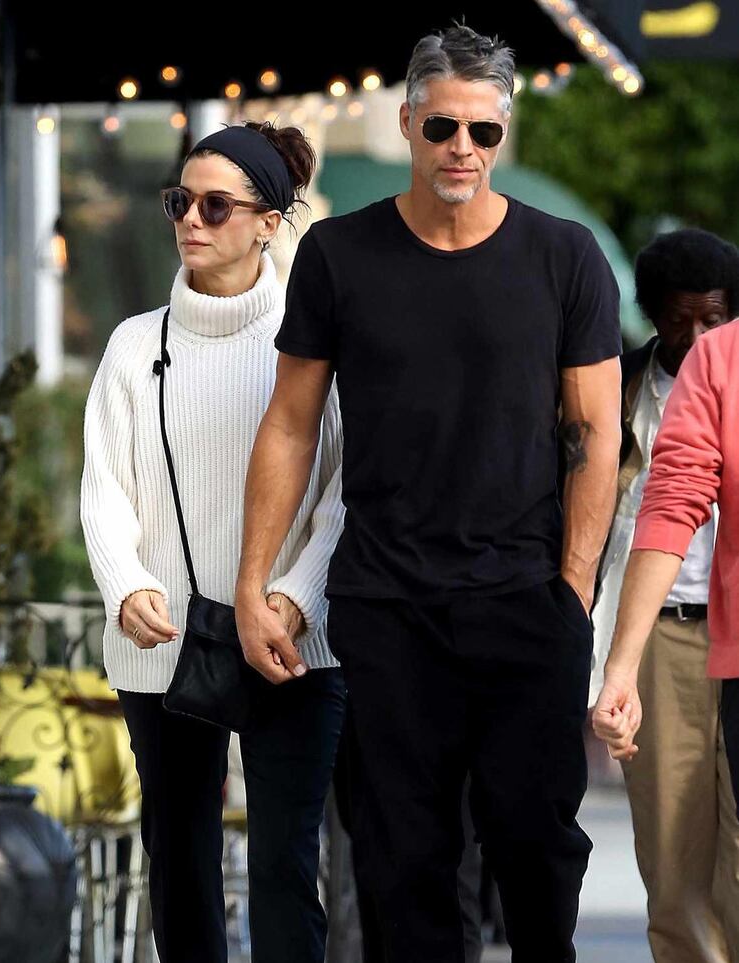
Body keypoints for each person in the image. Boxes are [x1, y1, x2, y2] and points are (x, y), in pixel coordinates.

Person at [235, 23, 622, 963]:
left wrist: (573, 591)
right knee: (401, 860)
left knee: (536, 852)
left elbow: (596, 431)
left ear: (502, 133)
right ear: (409, 122)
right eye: (443, 126)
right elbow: (289, 424)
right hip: (388, 606)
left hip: (525, 601)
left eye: (484, 132)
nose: (462, 149)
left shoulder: (565, 255)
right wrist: (254, 583)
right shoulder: (339, 253)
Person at [80, 122, 345, 963]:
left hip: (293, 642)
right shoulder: (134, 346)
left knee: (283, 864)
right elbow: (104, 484)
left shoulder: (314, 342)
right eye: (180, 202)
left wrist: (295, 597)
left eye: (216, 205)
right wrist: (126, 583)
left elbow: (343, 492)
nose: (192, 220)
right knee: (179, 862)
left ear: (268, 221)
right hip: (164, 640)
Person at [591, 228, 739, 962]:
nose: (699, 337)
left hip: (731, 630)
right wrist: (614, 663)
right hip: (663, 633)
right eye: (682, 321)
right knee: (673, 852)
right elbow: (659, 506)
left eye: (715, 317)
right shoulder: (616, 391)